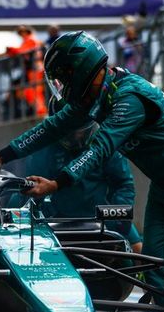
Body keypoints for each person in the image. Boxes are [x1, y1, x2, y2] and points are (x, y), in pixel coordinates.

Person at [0, 31, 164, 282]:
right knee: (155, 266)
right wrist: (1, 156)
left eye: (63, 78)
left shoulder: (130, 96)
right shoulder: (95, 98)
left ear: (79, 72)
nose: (62, 86)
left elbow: (100, 148)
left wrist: (55, 184)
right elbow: (51, 127)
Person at [26, 97, 142, 251]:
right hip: (56, 219)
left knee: (138, 250)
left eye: (81, 130)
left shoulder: (105, 142)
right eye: (70, 131)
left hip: (101, 216)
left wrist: (118, 221)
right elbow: (29, 189)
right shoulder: (44, 148)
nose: (76, 136)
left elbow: (123, 184)